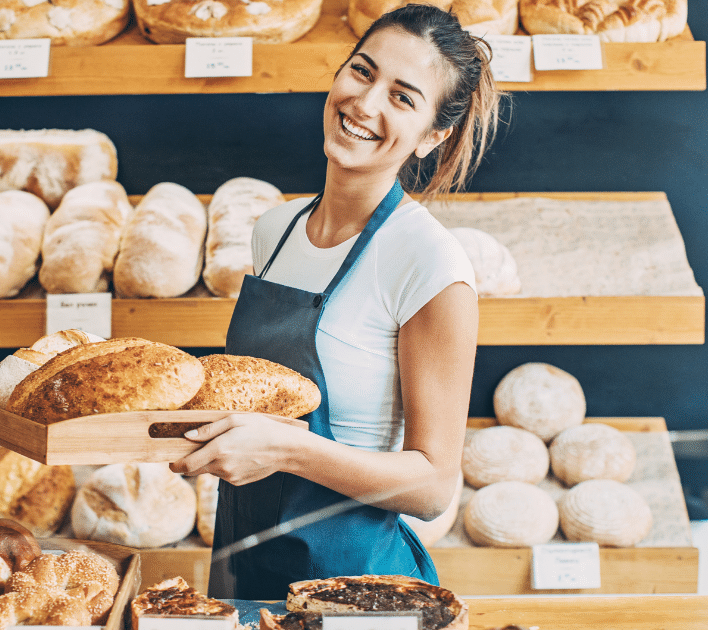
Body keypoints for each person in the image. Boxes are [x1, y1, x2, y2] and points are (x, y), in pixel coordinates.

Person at [170, 3, 501, 600]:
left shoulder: (429, 264)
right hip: (245, 568)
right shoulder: (272, 231)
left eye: (403, 98)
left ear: (433, 135)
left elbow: (432, 486)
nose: (366, 104)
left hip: (358, 589)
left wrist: (285, 447)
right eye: (362, 72)